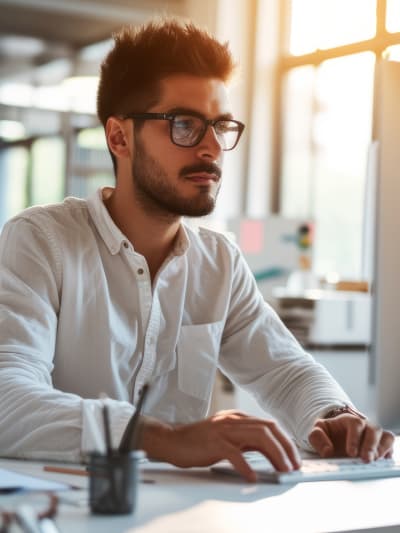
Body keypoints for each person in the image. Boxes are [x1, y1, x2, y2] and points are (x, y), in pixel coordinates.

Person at [0, 19, 393, 481]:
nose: (211, 147)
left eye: (220, 125)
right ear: (119, 137)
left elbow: (285, 372)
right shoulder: (41, 241)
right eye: (184, 124)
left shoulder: (219, 263)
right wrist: (161, 438)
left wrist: (332, 416)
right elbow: (8, 399)